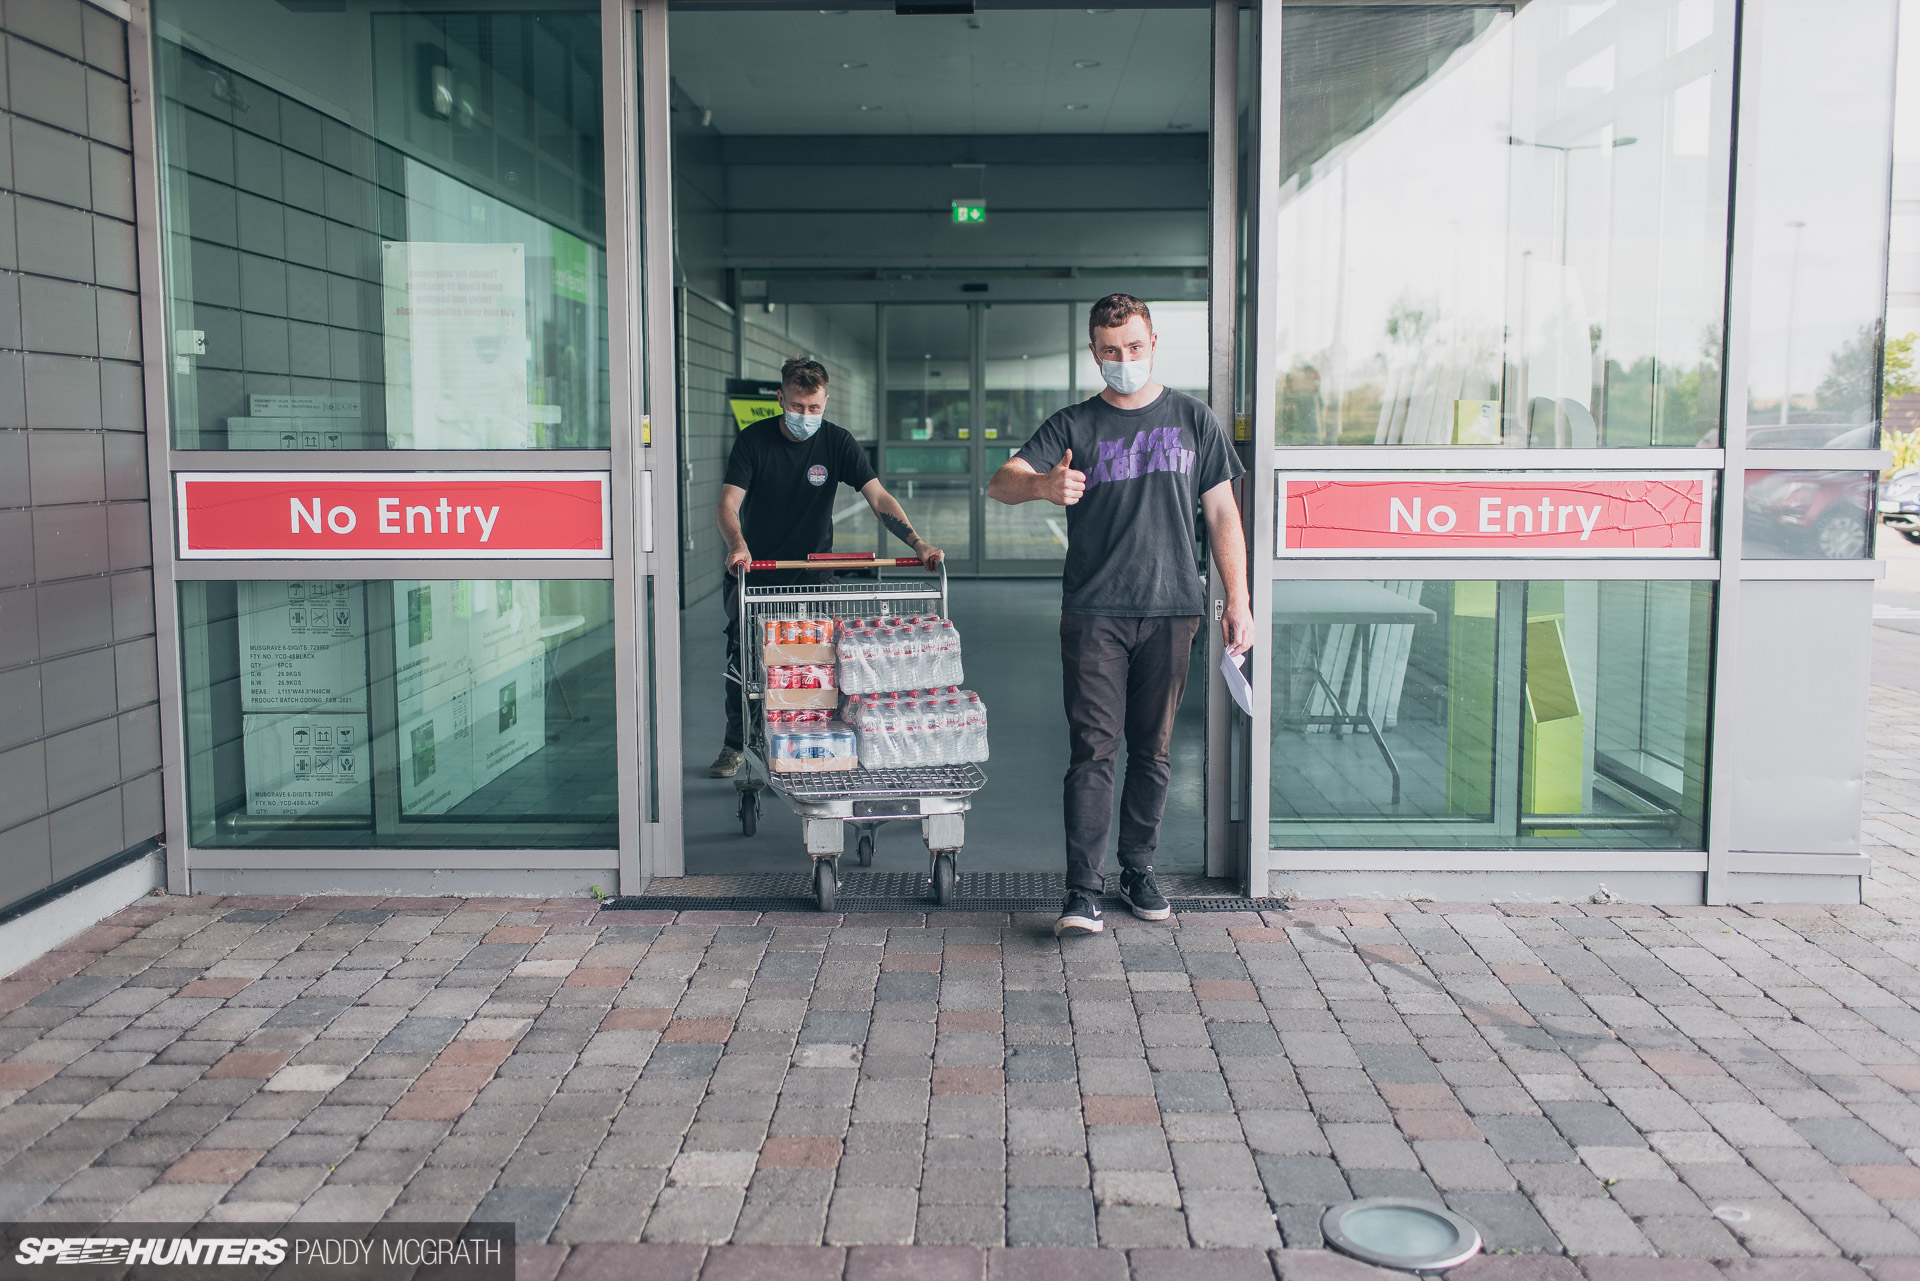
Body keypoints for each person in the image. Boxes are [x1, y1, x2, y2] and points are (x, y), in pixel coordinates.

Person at [987, 295, 1253, 936]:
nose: (1124, 360)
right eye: (1111, 351)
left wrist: (1238, 600)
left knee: (1154, 751)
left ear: (1154, 342)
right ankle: (1082, 890)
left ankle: (1137, 870)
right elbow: (1001, 481)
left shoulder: (1194, 419)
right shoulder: (1073, 425)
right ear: (1093, 352)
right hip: (1094, 611)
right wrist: (1042, 487)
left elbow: (1221, 514)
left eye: (1134, 347)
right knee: (1093, 751)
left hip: (1172, 608)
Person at [709, 356, 944, 777]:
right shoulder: (753, 441)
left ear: (826, 401)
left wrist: (918, 542)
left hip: (813, 576)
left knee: (817, 663)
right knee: (746, 663)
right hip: (755, 573)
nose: (805, 416)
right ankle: (736, 745)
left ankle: (813, 739)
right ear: (781, 399)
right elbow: (729, 504)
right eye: (797, 407)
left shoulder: (836, 442)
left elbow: (879, 498)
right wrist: (738, 546)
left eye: (814, 408)